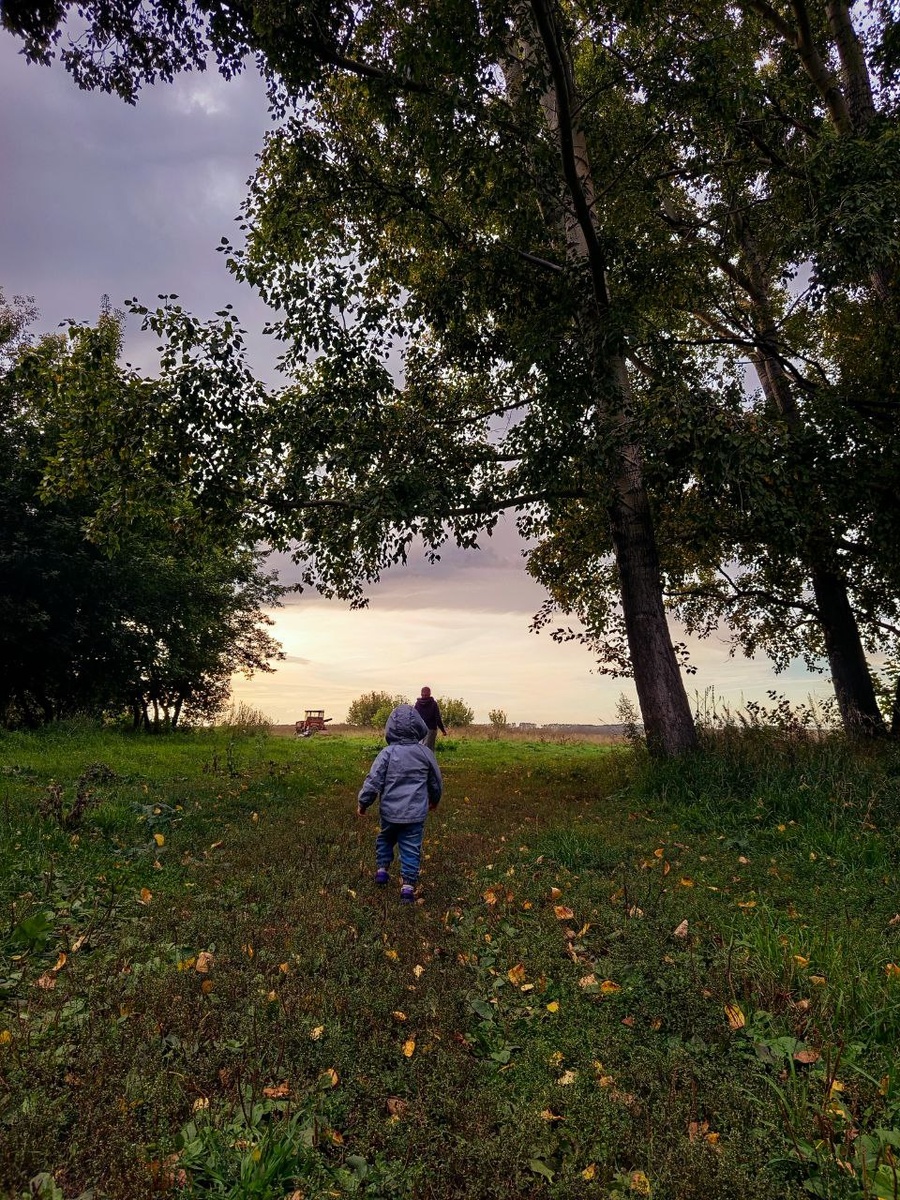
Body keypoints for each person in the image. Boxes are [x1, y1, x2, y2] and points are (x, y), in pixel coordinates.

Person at [357, 704, 442, 903]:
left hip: (389, 812)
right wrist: (434, 799)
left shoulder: (387, 753)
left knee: (385, 838)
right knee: (411, 847)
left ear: (391, 728)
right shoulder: (425, 753)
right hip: (415, 814)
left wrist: (363, 802)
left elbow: (373, 780)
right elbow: (435, 781)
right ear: (419, 726)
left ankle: (382, 870)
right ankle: (407, 887)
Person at [414, 686, 446, 751]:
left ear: (421, 694)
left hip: (420, 729)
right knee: (429, 748)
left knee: (420, 747)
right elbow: (438, 718)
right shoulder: (433, 704)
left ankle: (420, 757)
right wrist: (443, 730)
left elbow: (414, 716)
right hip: (431, 729)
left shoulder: (417, 704)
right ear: (430, 693)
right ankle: (428, 757)